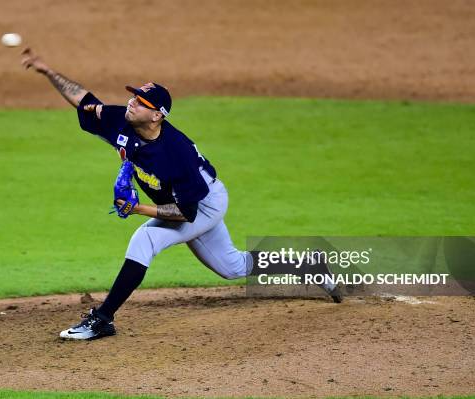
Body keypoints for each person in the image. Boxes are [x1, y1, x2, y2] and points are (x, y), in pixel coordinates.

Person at [20, 48, 341, 341]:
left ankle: (103, 318)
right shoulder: (121, 120)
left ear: (157, 115)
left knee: (144, 241)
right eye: (133, 97)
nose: (131, 102)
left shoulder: (176, 154)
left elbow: (185, 213)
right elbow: (82, 98)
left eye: (140, 102)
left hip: (203, 204)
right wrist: (48, 71)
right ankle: (306, 264)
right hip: (183, 203)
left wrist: (138, 209)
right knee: (232, 267)